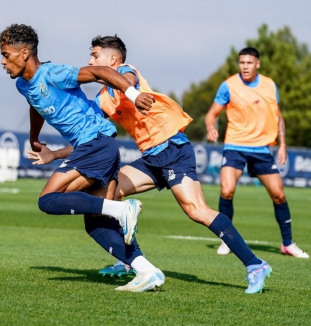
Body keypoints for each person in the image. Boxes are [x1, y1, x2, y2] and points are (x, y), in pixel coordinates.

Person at [29, 35, 272, 294]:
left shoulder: (125, 71)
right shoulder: (103, 98)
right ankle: (131, 262)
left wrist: (131, 92)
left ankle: (255, 264)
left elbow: (129, 81)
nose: (90, 61)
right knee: (110, 198)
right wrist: (54, 154)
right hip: (150, 159)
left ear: (111, 59)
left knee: (196, 210)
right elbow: (91, 134)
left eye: (95, 56)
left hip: (173, 150)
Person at [0, 24, 164, 292]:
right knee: (97, 224)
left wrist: (133, 94)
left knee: (48, 200)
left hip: (95, 143)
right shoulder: (22, 84)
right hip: (101, 147)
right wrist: (34, 136)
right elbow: (35, 102)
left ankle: (123, 209)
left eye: (6, 55)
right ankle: (147, 271)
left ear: (24, 53)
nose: (3, 62)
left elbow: (101, 71)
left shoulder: (53, 73)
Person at [205, 46, 309, 259]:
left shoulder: (270, 85)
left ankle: (288, 244)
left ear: (257, 64)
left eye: (249, 63)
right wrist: (210, 127)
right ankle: (227, 240)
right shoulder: (228, 86)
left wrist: (283, 144)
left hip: (261, 148)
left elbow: (278, 116)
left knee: (279, 195)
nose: (245, 67)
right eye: (242, 63)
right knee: (226, 191)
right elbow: (211, 114)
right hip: (234, 146)